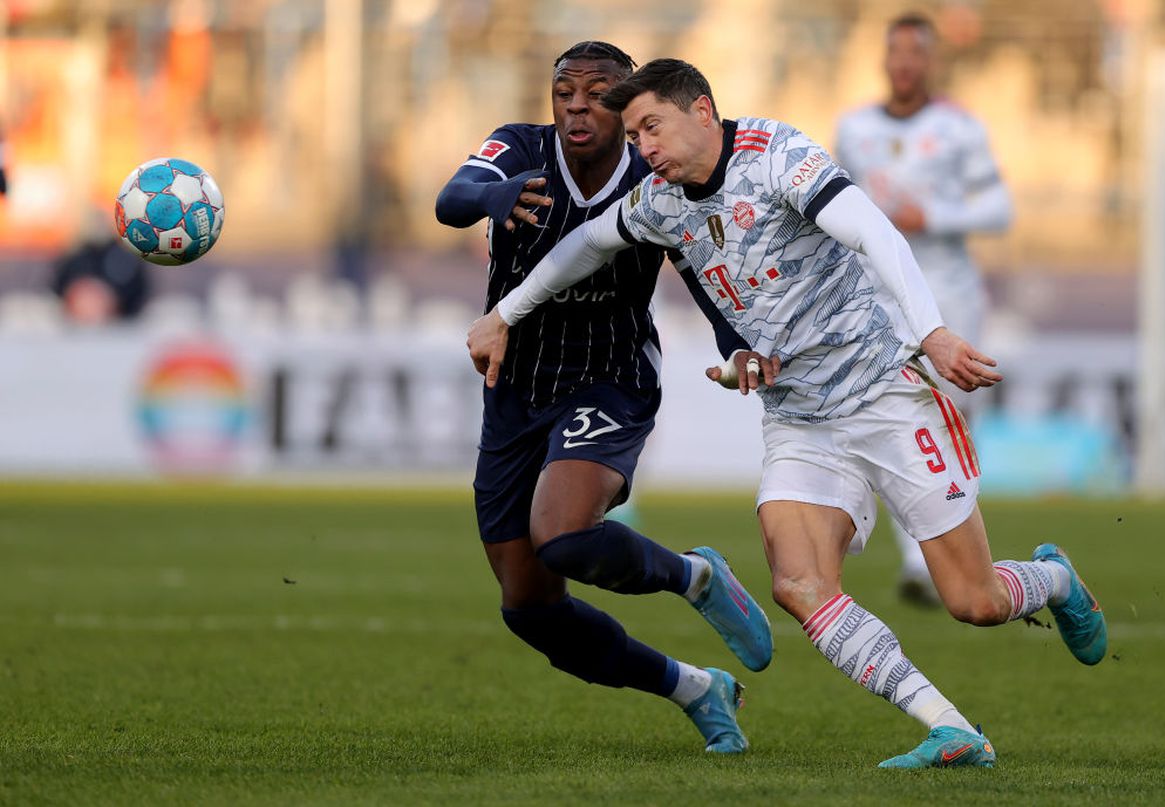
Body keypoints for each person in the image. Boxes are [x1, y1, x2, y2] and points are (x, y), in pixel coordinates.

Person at [468, 58, 1107, 769]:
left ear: (702, 111)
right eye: (635, 133)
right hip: (800, 420)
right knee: (797, 585)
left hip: (886, 395)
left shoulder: (776, 156)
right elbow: (583, 246)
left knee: (974, 599)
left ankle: (1054, 579)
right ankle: (950, 726)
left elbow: (873, 231)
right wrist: (504, 313)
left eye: (651, 126)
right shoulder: (661, 201)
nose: (640, 145)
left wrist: (931, 330)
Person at [435, 42, 772, 754]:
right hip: (516, 389)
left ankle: (697, 575)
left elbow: (703, 276)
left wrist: (733, 346)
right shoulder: (518, 148)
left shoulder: (654, 177)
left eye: (597, 93)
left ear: (626, 107)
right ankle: (694, 687)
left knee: (564, 537)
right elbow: (450, 200)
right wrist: (493, 196)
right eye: (565, 92)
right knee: (529, 606)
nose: (578, 105)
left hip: (609, 377)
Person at [834, 13, 1013, 606]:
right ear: (884, 60)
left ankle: (950, 551)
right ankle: (918, 561)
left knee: (952, 416)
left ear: (932, 62)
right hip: (877, 292)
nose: (905, 62)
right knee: (889, 411)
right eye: (896, 51)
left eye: (917, 52)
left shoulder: (960, 127)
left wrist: (932, 218)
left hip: (948, 288)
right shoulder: (854, 128)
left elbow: (998, 209)